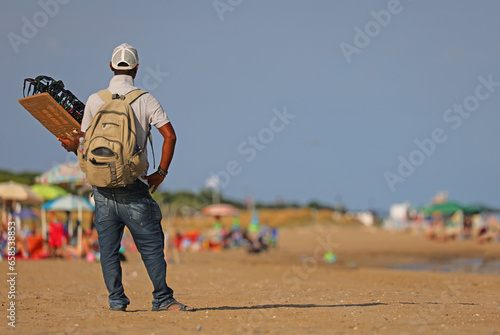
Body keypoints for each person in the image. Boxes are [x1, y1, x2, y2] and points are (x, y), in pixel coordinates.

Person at [59, 43, 194, 312]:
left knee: (108, 250)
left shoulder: (95, 100)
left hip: (101, 190)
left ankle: (117, 301)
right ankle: (163, 299)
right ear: (136, 69)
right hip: (134, 187)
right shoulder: (145, 99)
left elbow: (84, 144)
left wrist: (71, 145)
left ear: (111, 66)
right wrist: (160, 173)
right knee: (152, 247)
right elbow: (171, 136)